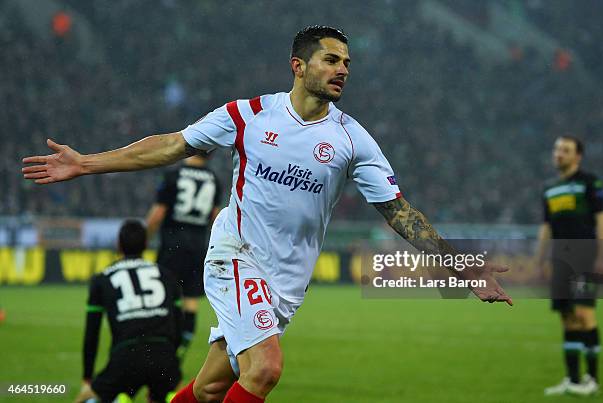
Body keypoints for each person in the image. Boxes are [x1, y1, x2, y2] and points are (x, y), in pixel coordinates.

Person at [24, 25, 511, 403]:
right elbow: (172, 144)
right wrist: (87, 163)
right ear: (298, 65)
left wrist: (460, 265)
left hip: (285, 282)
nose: (343, 69)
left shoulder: (352, 139)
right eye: (331, 59)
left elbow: (398, 211)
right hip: (236, 255)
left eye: (347, 62)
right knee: (266, 369)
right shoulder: (248, 114)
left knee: (211, 388)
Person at [74, 220, 183, 403]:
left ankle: (119, 399)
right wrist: (171, 363)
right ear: (146, 245)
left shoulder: (102, 279)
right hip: (164, 355)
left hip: (125, 357)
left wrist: (87, 377)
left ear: (119, 245)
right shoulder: (166, 275)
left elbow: (92, 334)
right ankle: (167, 396)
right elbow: (179, 325)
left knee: (86, 399)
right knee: (170, 394)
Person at [537, 136, 603, 396]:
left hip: (584, 254)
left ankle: (592, 379)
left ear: (578, 156)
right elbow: (546, 228)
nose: (559, 154)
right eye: (557, 149)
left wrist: (602, 256)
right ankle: (573, 379)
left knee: (583, 314)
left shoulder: (590, 183)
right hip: (560, 258)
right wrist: (540, 259)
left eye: (565, 150)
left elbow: (601, 220)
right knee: (567, 318)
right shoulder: (549, 188)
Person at [146, 154, 222, 360]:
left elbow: (158, 213)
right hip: (198, 247)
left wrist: (144, 239)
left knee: (163, 298)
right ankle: (180, 350)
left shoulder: (173, 175)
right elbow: (215, 217)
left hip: (172, 245)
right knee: (190, 301)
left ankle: (160, 346)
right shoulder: (214, 179)